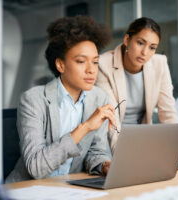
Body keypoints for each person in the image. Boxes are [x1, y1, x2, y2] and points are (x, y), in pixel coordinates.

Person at [6, 16, 116, 183]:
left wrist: (104, 165)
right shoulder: (33, 99)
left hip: (68, 188)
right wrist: (85, 127)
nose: (91, 70)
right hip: (28, 189)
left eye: (95, 62)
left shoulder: (99, 98)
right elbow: (36, 167)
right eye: (81, 61)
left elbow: (96, 152)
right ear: (60, 65)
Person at [96, 17, 178, 153]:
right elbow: (112, 120)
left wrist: (177, 148)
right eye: (140, 43)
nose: (145, 53)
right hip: (110, 144)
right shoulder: (104, 64)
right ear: (127, 40)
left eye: (152, 48)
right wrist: (123, 155)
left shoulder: (160, 64)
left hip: (143, 141)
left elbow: (168, 111)